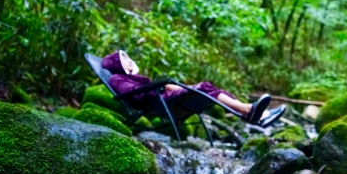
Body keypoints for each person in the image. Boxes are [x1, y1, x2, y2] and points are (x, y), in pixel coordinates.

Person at [101, 50, 286, 127]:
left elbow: (143, 90)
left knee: (208, 88)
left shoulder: (131, 77)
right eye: (124, 57)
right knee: (204, 87)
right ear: (118, 63)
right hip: (159, 102)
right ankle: (250, 112)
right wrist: (161, 87)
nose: (129, 59)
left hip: (164, 98)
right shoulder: (118, 78)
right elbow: (135, 97)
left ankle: (255, 114)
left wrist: (164, 86)